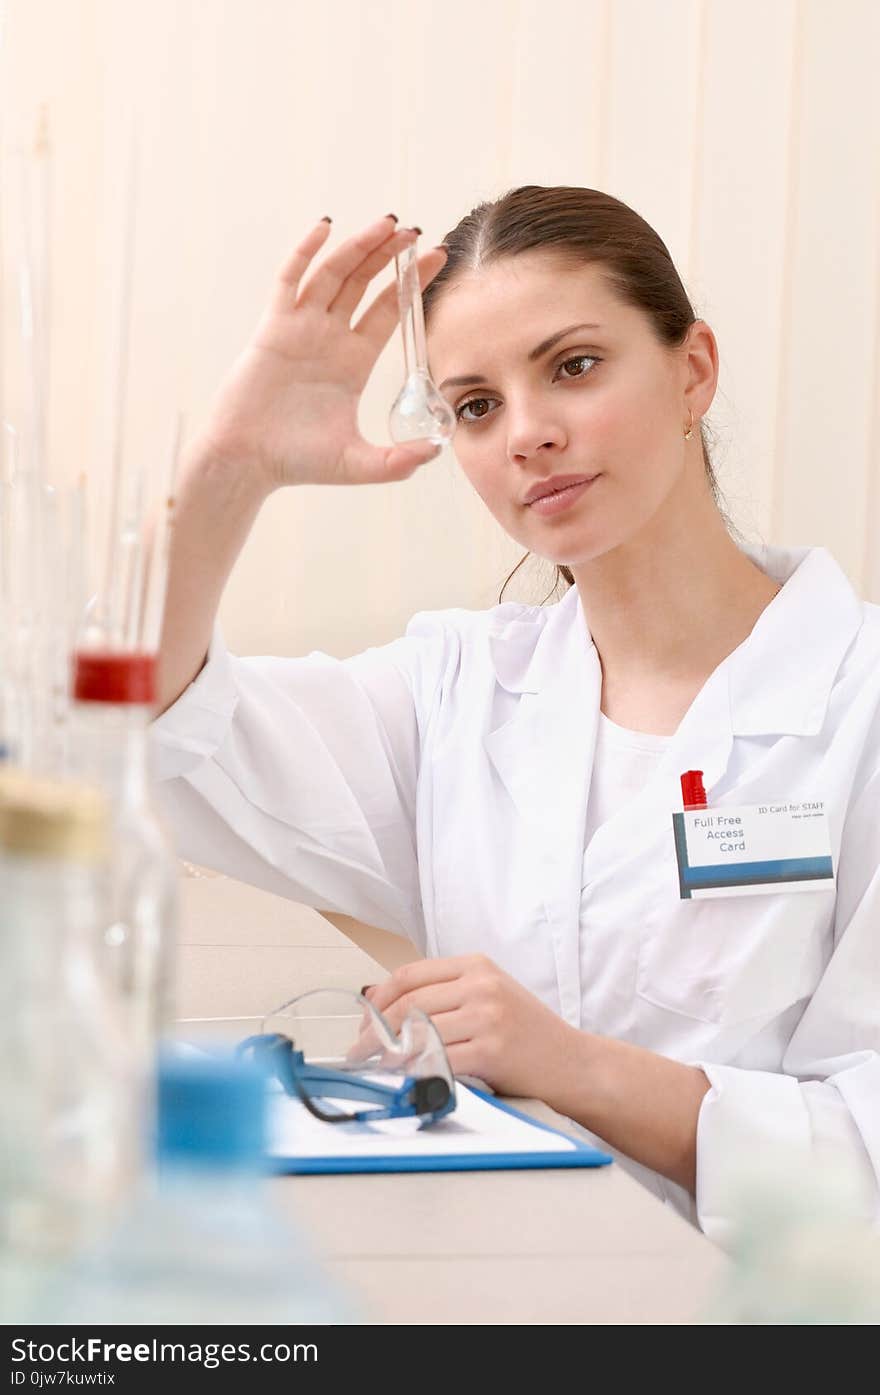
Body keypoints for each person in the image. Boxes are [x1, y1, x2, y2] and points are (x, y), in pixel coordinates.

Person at [152, 187, 880, 1245]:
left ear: (692, 370)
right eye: (475, 406)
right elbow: (143, 728)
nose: (528, 434)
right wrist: (229, 469)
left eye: (573, 367)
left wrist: (569, 1066)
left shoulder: (858, 704)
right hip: (506, 1284)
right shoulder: (454, 692)